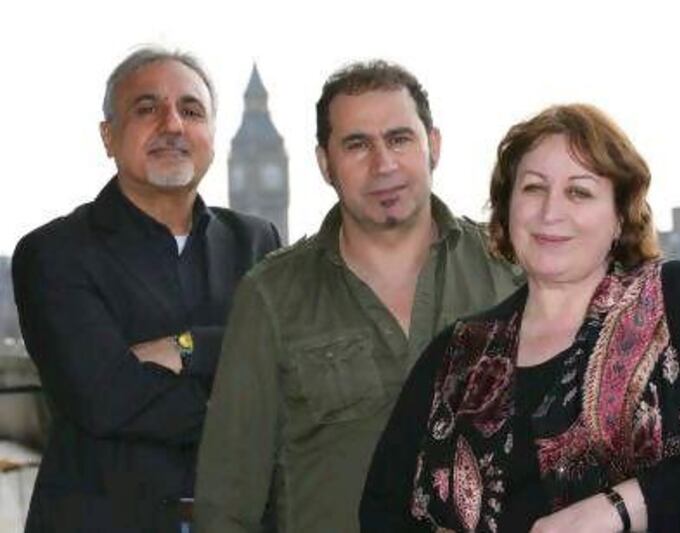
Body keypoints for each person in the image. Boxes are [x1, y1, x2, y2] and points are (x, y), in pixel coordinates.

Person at [360, 103, 680, 533]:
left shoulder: (675, 300)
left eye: (579, 192)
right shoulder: (455, 352)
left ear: (620, 216)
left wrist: (616, 508)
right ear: (507, 207)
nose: (551, 212)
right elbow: (381, 511)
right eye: (533, 188)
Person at [193, 60, 522, 533]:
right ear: (326, 164)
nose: (383, 164)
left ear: (434, 145)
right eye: (357, 145)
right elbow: (226, 501)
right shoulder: (271, 297)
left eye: (399, 139)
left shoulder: (509, 274)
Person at [12, 47, 281, 532]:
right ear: (108, 136)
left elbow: (288, 359)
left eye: (191, 110)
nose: (172, 124)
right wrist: (250, 398)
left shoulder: (258, 241)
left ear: (213, 137)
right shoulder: (53, 253)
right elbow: (106, 398)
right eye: (147, 108)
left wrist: (188, 347)